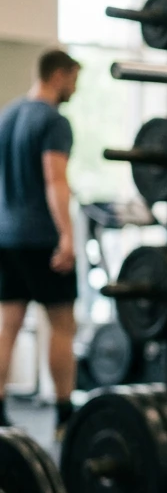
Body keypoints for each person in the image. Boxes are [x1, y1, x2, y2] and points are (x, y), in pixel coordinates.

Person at [0, 50, 81, 436]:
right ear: (60, 75)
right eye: (74, 79)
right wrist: (67, 235)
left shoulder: (8, 114)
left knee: (7, 327)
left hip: (6, 236)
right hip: (42, 240)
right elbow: (55, 181)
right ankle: (64, 415)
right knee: (63, 327)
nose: (75, 88)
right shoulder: (53, 121)